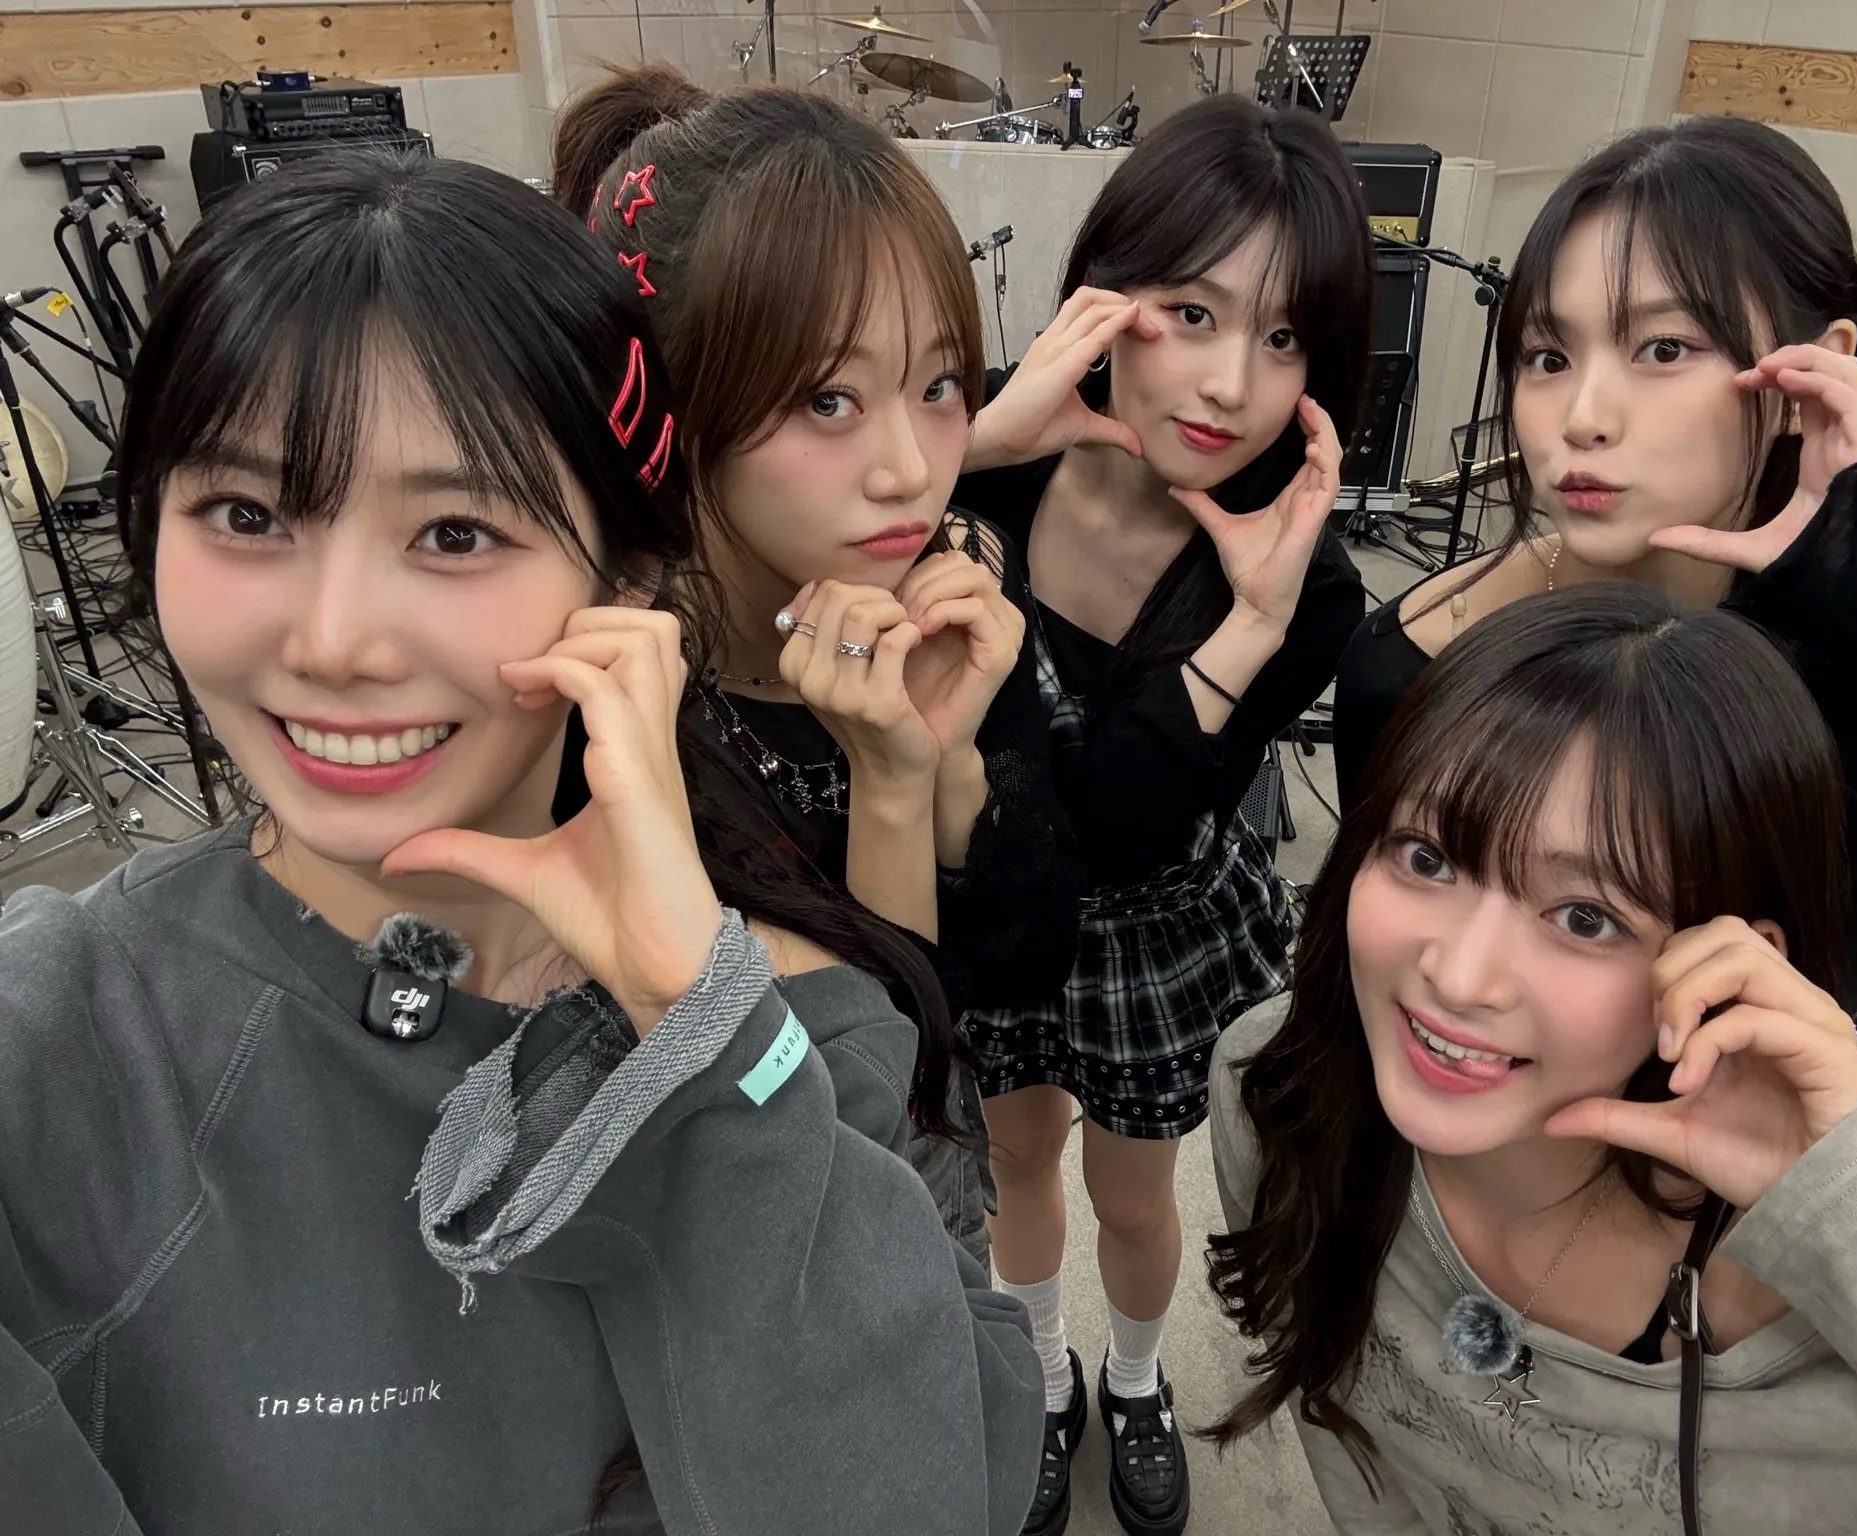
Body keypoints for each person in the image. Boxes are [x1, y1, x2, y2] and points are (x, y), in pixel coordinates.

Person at [0, 154, 1041, 1536]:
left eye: (454, 531)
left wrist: (699, 1037)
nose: (332, 641)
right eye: (247, 516)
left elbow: (938, 1492)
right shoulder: (64, 1044)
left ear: (627, 581)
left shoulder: (802, 1015)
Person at [1210, 585, 1857, 1534]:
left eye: (1585, 917)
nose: (1459, 974)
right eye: (1428, 857)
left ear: (1727, 967)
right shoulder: (1281, 1094)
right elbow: (1359, 1459)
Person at [1331, 115, 1857, 1037]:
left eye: (1664, 349)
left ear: (1807, 376)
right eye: (1549, 358)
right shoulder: (1417, 658)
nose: (1582, 417)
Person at [551, 71, 1085, 1269]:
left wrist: (937, 770)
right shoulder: (612, 699)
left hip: (923, 1210)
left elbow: (1019, 967)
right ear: (674, 404)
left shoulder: (949, 592)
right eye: (829, 399)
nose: (908, 469)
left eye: (936, 385)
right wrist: (887, 789)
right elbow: (812, 1133)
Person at [948, 94, 1371, 1536]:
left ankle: (1133, 1378)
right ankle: (1036, 1373)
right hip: (986, 889)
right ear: (1106, 296)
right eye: (1191, 312)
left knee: (1133, 1200)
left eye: (1283, 336)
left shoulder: (1306, 579)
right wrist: (965, 449)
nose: (1229, 384)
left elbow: (1125, 823)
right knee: (1013, 1163)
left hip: (1149, 922)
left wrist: (1248, 625)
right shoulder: (986, 446)